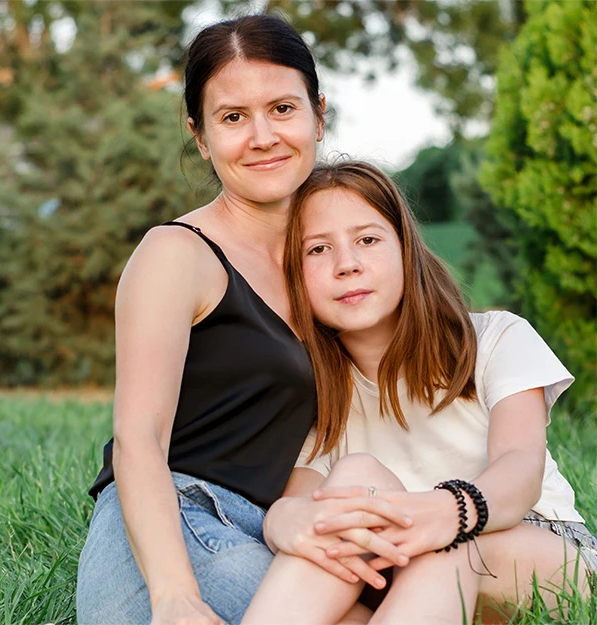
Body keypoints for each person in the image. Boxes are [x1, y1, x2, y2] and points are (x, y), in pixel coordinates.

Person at [75, 16, 413, 625]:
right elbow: (138, 439)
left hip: (283, 523)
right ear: (200, 137)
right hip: (175, 522)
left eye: (282, 108)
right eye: (232, 118)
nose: (262, 137)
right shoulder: (176, 255)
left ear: (319, 115)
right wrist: (174, 597)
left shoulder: (338, 262)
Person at [241, 160, 597, 624]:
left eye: (367, 240)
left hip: (538, 547)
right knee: (352, 479)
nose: (347, 264)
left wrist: (449, 513)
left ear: (406, 249)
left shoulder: (494, 339)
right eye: (318, 249)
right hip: (399, 572)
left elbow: (520, 466)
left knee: (444, 551)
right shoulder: (320, 393)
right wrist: (280, 521)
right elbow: (303, 505)